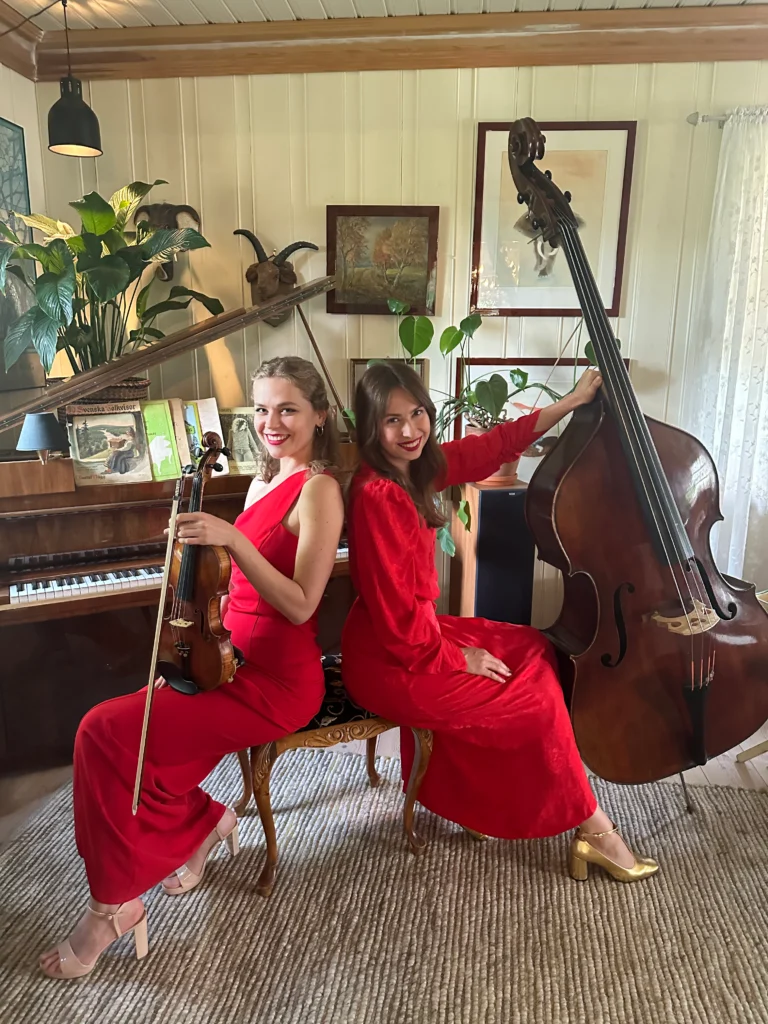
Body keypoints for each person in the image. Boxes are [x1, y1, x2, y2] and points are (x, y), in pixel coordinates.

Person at [39, 356, 345, 979]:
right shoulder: (262, 483)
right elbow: (235, 594)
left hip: (278, 682)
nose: (271, 422)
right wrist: (189, 654)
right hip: (226, 659)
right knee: (135, 744)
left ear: (319, 414)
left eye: (288, 408)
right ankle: (207, 822)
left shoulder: (320, 490)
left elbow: (298, 602)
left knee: (102, 731)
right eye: (261, 409)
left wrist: (232, 540)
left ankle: (112, 907)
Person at [342, 361, 658, 884]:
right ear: (371, 428)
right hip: (391, 658)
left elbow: (490, 447)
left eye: (417, 413)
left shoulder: (413, 468)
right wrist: (460, 658)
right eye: (392, 421)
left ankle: (480, 805)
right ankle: (593, 828)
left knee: (532, 647)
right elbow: (400, 626)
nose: (410, 430)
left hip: (414, 635)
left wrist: (570, 402)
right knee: (531, 700)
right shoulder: (379, 496)